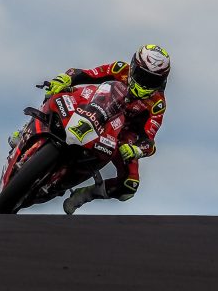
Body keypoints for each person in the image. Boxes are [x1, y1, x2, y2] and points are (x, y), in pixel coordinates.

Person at [15, 44, 171, 214]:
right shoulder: (120, 69)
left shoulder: (157, 104)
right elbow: (87, 74)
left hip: (121, 135)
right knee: (59, 89)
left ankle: (84, 195)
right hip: (94, 106)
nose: (145, 83)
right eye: (142, 76)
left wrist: (136, 149)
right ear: (133, 67)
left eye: (152, 80)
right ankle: (26, 131)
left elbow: (149, 139)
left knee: (129, 186)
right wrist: (65, 78)